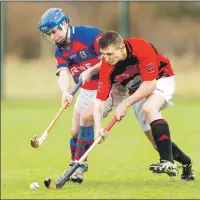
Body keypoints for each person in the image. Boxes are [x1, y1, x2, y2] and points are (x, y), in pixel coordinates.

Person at [93, 30, 195, 180]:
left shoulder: (140, 47)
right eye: (103, 54)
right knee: (157, 143)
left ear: (121, 48)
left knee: (150, 108)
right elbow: (99, 101)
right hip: (138, 91)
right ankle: (186, 163)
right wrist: (98, 127)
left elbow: (149, 85)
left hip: (161, 78)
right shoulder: (107, 66)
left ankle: (167, 162)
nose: (106, 59)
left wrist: (125, 104)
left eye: (109, 54)